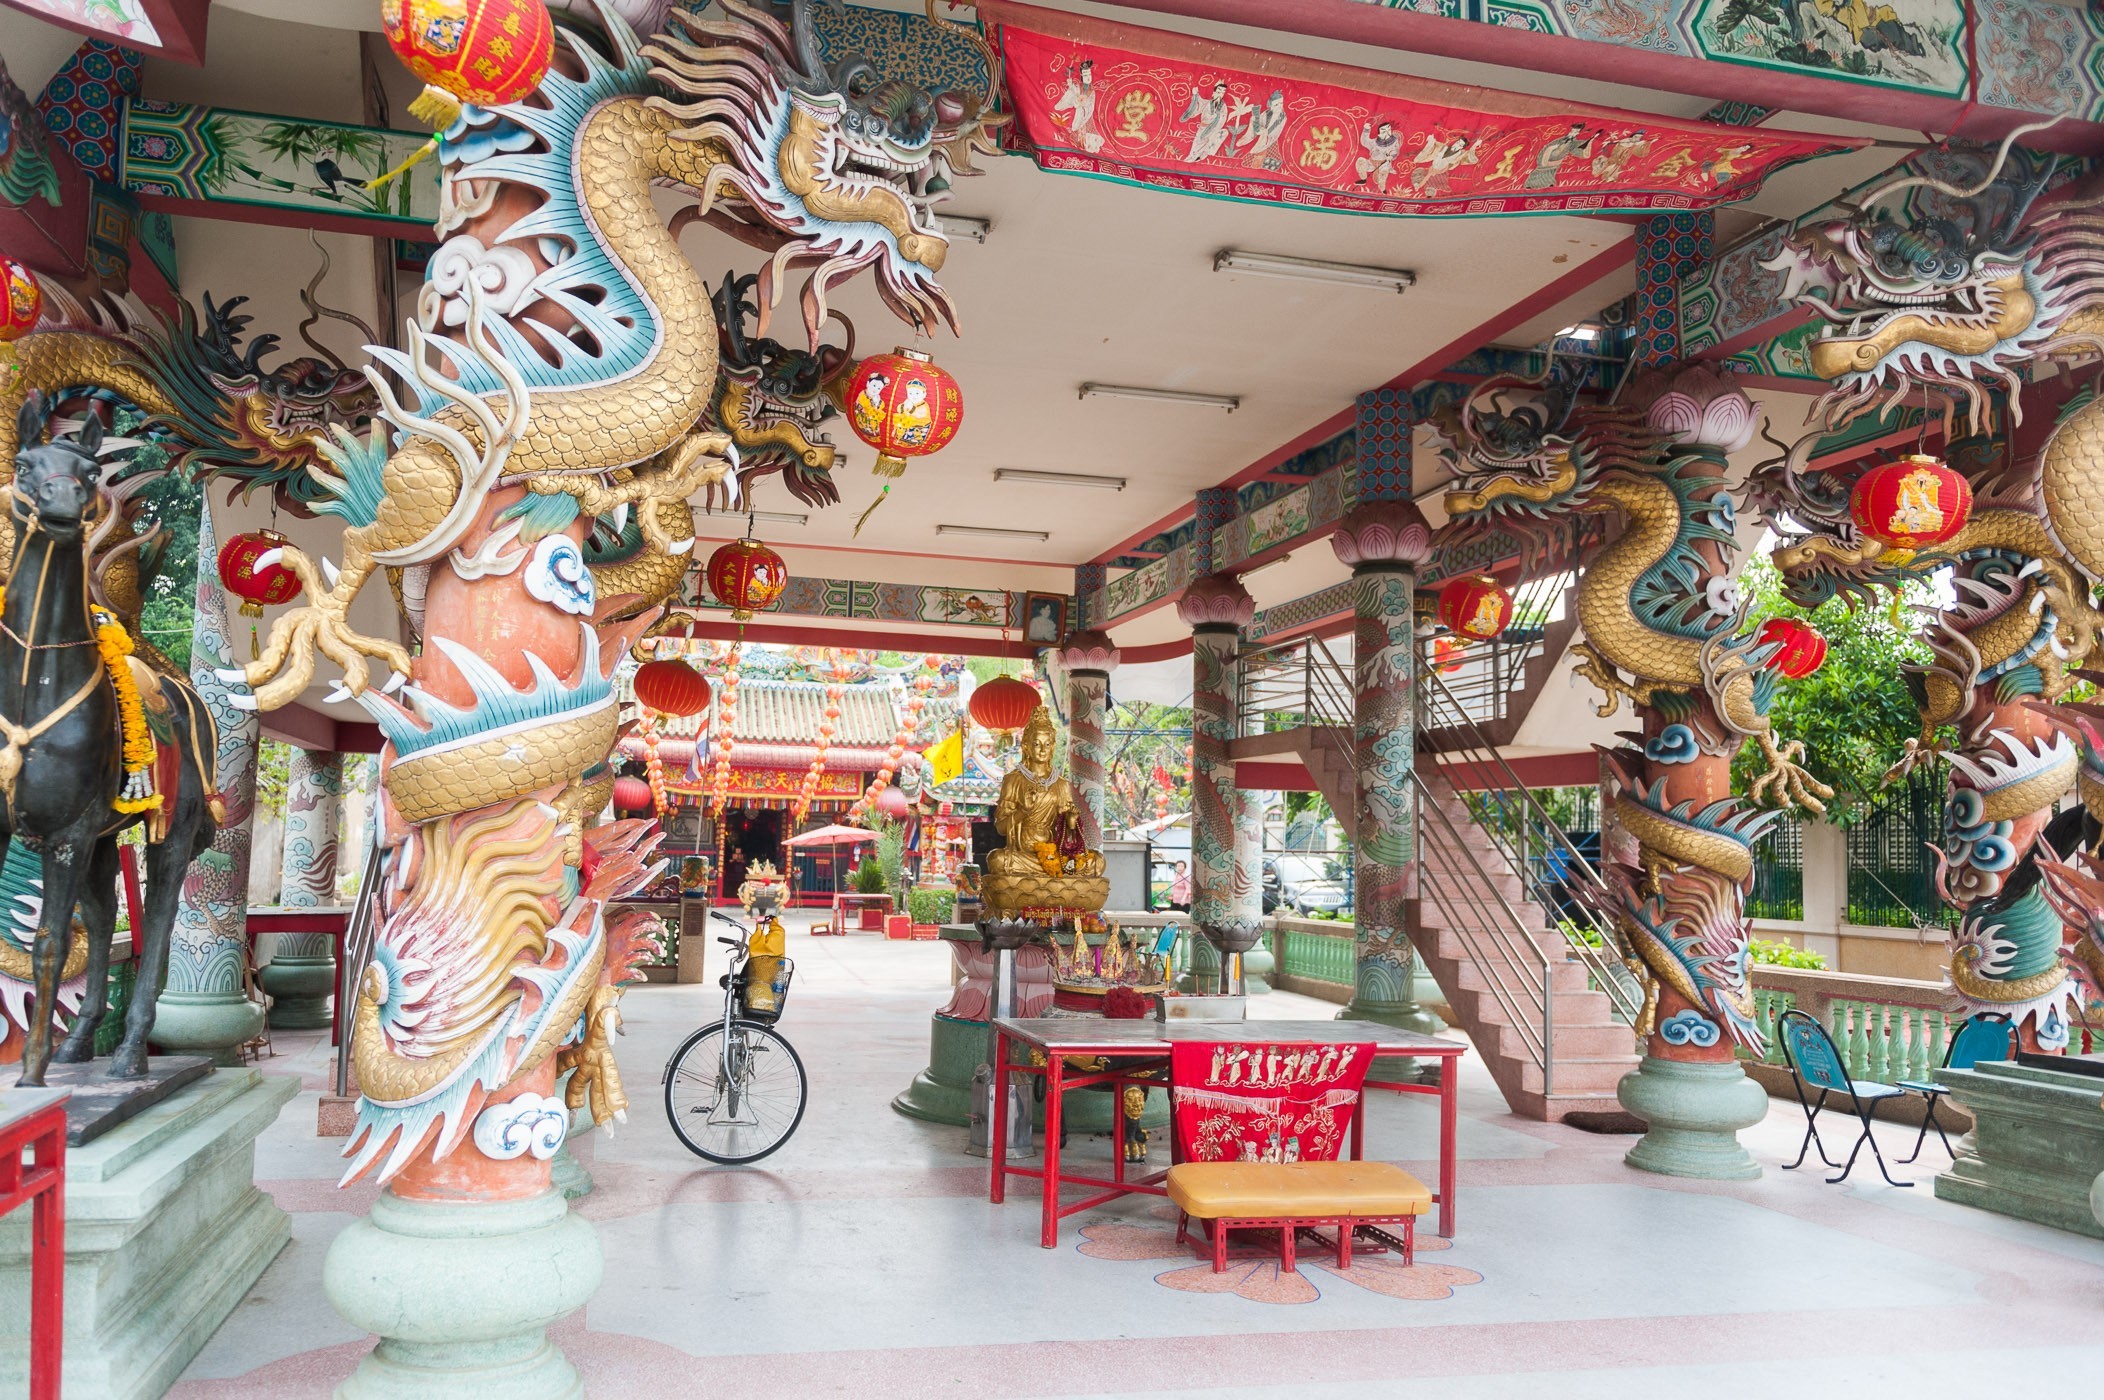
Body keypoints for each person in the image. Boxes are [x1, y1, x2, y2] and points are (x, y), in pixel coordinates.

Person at [988, 705, 1103, 877]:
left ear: (1053, 747)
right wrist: (1022, 811)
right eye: (1037, 744)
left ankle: (1050, 880)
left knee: (1097, 862)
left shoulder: (1061, 784)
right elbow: (1001, 828)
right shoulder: (1013, 780)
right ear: (1026, 746)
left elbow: (1069, 834)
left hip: (1054, 854)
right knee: (996, 860)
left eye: (1047, 744)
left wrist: (1071, 822)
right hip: (1023, 855)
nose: (1043, 750)